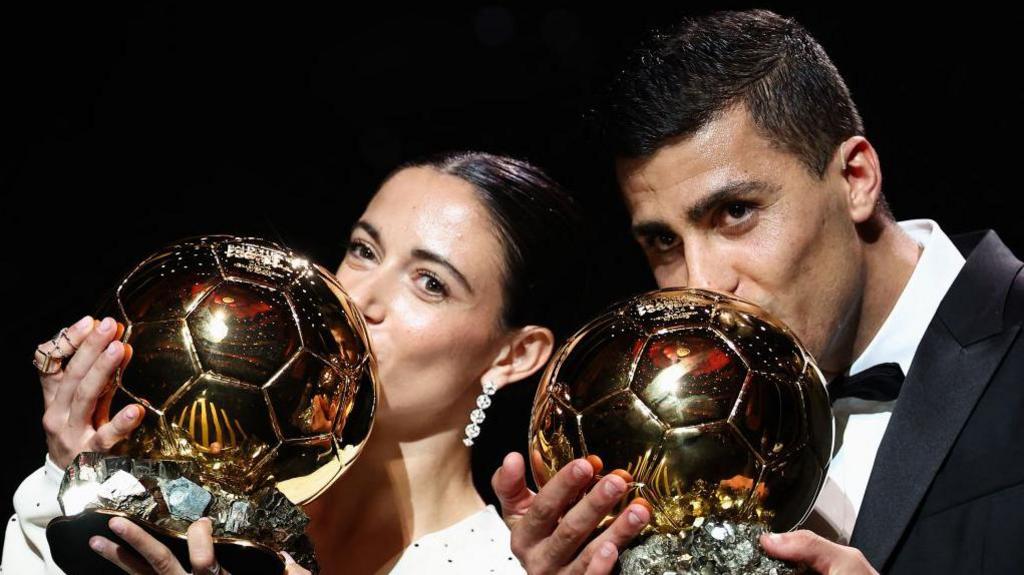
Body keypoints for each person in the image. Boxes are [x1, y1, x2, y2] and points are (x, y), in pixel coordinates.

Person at [493, 9, 1024, 574]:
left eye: (736, 212)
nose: (701, 283)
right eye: (663, 242)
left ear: (856, 180)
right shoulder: (664, 456)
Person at [5, 151, 585, 575]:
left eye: (430, 283)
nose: (360, 298)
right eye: (364, 250)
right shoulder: (185, 494)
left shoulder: (506, 568)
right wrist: (70, 481)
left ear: (515, 354)